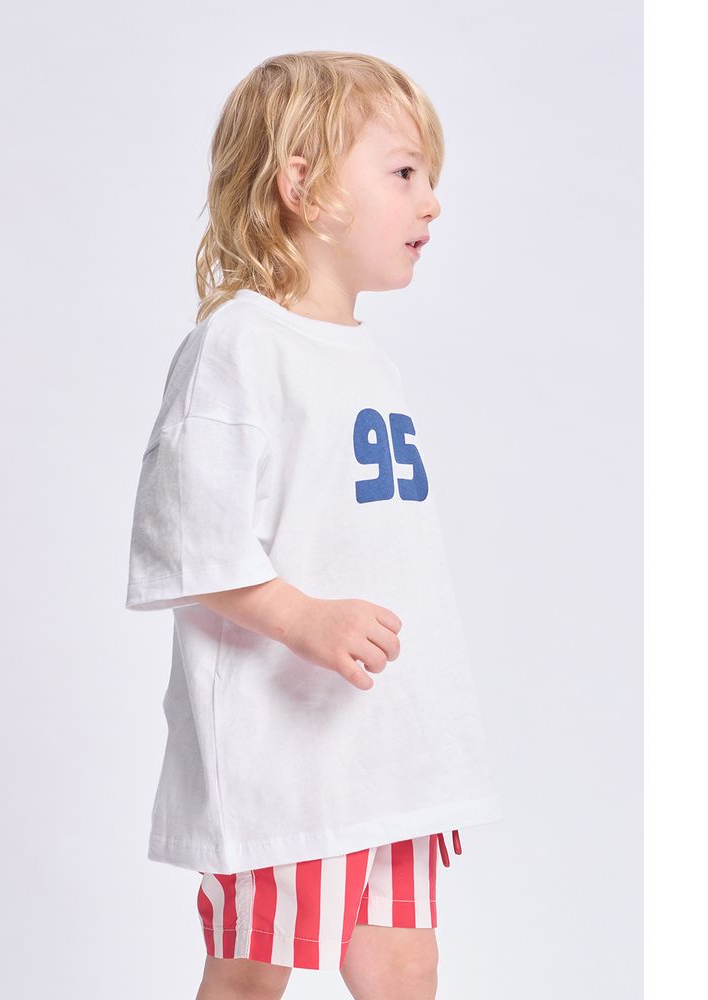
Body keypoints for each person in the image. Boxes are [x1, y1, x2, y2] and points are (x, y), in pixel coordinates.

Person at [125, 51, 504, 1000]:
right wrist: (303, 618)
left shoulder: (370, 362)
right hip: (283, 753)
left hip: (386, 747)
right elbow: (189, 534)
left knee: (404, 960)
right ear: (304, 187)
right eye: (404, 172)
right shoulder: (239, 346)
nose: (431, 203)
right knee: (255, 969)